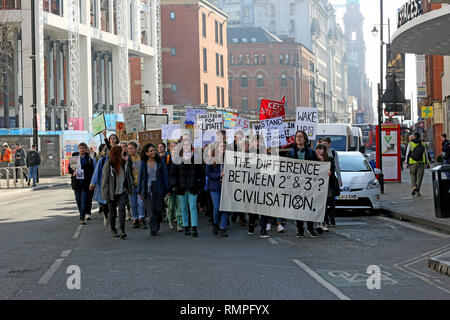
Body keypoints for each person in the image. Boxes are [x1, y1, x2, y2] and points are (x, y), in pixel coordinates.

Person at [287, 131, 319, 238]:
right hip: (296, 185)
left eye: (301, 137)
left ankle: (310, 227)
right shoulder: (291, 153)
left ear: (305, 139)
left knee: (309, 206)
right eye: (297, 137)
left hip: (309, 184)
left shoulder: (311, 152)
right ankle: (300, 229)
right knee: (298, 207)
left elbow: (318, 167)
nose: (299, 138)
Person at [169, 134, 203, 237]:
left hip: (193, 187)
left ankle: (194, 227)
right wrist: (174, 185)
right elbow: (173, 174)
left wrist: (199, 184)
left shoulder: (196, 158)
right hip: (181, 188)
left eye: (188, 145)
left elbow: (201, 173)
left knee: (193, 207)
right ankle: (186, 226)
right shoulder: (177, 159)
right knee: (183, 208)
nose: (187, 147)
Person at [137, 143, 170, 236]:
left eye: (154, 150)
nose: (153, 152)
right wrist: (139, 191)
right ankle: (153, 229)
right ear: (146, 153)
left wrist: (168, 189)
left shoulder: (160, 162)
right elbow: (140, 177)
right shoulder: (143, 163)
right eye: (151, 151)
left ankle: (157, 222)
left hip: (158, 187)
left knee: (158, 209)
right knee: (150, 209)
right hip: (148, 188)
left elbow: (165, 176)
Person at [101, 145, 129, 239]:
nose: (122, 153)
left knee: (122, 211)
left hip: (122, 191)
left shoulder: (124, 163)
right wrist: (105, 195)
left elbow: (128, 178)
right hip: (112, 193)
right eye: (120, 152)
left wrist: (129, 188)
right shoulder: (108, 165)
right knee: (112, 212)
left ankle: (122, 230)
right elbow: (104, 181)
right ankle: (113, 229)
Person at [68, 143, 96, 225]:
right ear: (78, 149)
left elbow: (92, 171)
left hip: (85, 183)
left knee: (83, 200)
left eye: (83, 148)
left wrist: (92, 182)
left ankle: (82, 217)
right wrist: (73, 172)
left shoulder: (89, 159)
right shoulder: (74, 158)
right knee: (78, 200)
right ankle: (82, 213)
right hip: (76, 182)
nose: (82, 150)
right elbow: (69, 168)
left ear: (86, 149)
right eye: (80, 148)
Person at [206, 141, 229, 237]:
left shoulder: (228, 158)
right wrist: (218, 175)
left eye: (224, 146)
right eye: (221, 146)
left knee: (225, 207)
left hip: (226, 187)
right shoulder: (211, 159)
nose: (223, 147)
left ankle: (223, 228)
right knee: (216, 207)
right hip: (215, 186)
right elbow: (208, 173)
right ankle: (216, 223)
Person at [315, 144, 337, 233]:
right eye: (318, 149)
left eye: (321, 149)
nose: (319, 151)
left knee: (325, 203)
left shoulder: (329, 160)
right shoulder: (313, 160)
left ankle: (323, 222)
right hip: (316, 185)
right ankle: (318, 222)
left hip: (327, 185)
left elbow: (333, 169)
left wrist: (330, 172)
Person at [126, 141, 147, 229]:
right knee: (133, 203)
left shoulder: (141, 158)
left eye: (132, 148)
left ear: (136, 149)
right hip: (131, 184)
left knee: (141, 202)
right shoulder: (127, 159)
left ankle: (141, 218)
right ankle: (135, 218)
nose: (130, 150)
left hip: (140, 184)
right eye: (129, 149)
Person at [164, 142, 183, 231]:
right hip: (170, 187)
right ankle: (170, 220)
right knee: (171, 207)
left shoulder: (181, 158)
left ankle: (180, 223)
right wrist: (167, 187)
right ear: (169, 148)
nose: (174, 148)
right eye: (172, 146)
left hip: (179, 186)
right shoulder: (166, 158)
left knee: (179, 206)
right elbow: (165, 174)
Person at [90, 144, 110, 227]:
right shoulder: (102, 160)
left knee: (112, 203)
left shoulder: (116, 159)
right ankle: (106, 215)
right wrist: (93, 182)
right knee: (104, 203)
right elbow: (96, 172)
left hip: (113, 185)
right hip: (103, 185)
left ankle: (112, 223)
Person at [406, 132, 430, 197]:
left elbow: (407, 154)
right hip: (421, 162)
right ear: (419, 137)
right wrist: (427, 163)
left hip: (412, 162)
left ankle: (414, 186)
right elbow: (426, 154)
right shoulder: (423, 144)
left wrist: (407, 163)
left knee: (412, 175)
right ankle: (417, 192)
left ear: (414, 137)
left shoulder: (410, 144)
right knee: (419, 177)